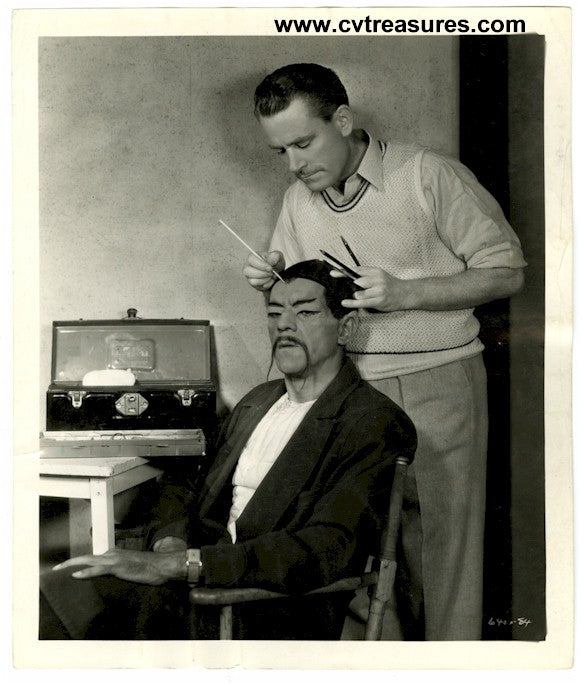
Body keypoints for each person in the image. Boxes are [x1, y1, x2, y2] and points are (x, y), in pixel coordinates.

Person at [243, 63, 527, 641]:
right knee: (359, 547)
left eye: (304, 142)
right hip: (348, 393)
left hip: (438, 380)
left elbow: (506, 272)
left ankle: (452, 674)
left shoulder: (429, 175)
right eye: (282, 152)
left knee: (444, 548)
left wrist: (406, 293)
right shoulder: (299, 201)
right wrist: (270, 281)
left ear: (342, 120)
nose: (295, 165)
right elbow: (302, 301)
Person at [40, 260, 416, 641]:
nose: (284, 324)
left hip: (267, 607)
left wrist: (183, 565)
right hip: (204, 580)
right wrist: (171, 540)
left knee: (69, 605)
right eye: (274, 313)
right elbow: (188, 485)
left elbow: (327, 548)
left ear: (346, 328)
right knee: (57, 586)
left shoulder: (373, 421)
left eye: (304, 312)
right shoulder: (258, 402)